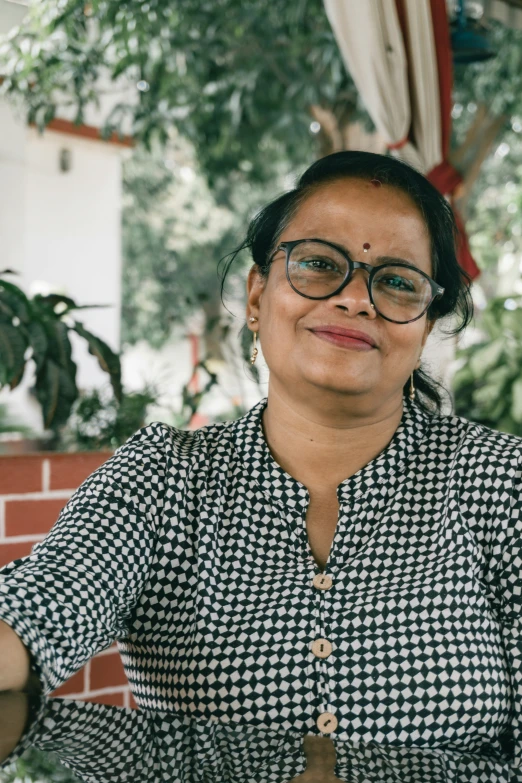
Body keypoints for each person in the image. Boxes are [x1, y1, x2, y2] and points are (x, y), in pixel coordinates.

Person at [0, 150, 521, 783]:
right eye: (319, 265)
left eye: (396, 281)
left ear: (426, 326)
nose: (356, 299)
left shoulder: (501, 486)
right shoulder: (164, 478)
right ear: (256, 295)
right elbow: (35, 613)